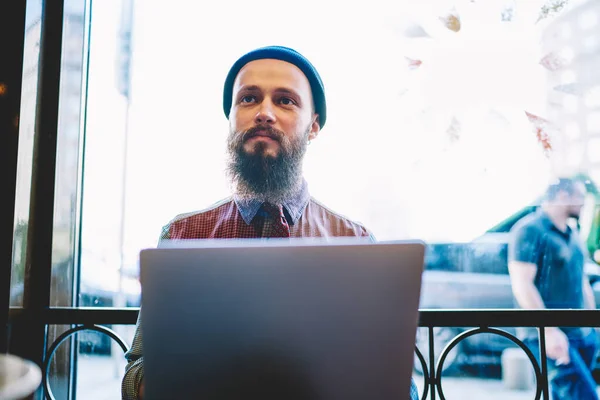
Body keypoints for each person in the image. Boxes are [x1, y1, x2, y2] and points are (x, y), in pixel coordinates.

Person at [121, 46, 420, 400]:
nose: (264, 113)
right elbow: (133, 379)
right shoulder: (181, 235)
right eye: (248, 99)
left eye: (285, 101)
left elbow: (402, 388)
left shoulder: (355, 241)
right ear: (231, 120)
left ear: (314, 127)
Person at [508, 177, 598, 399]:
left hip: (581, 334)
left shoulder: (572, 232)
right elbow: (522, 284)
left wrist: (593, 325)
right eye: (579, 196)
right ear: (562, 196)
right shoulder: (529, 230)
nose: (583, 203)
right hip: (549, 335)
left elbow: (582, 281)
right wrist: (548, 331)